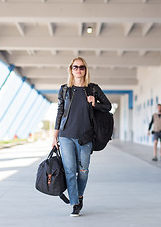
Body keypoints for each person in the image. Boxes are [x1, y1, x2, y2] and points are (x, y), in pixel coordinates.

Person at [53, 57, 111, 217]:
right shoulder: (65, 89)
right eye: (75, 67)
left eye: (82, 67)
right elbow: (60, 112)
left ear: (86, 70)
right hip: (66, 136)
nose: (78, 70)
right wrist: (55, 135)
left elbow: (108, 106)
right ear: (71, 69)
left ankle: (79, 195)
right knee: (70, 171)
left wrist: (94, 103)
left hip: (85, 137)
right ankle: (75, 203)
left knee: (83, 171)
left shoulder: (93, 89)